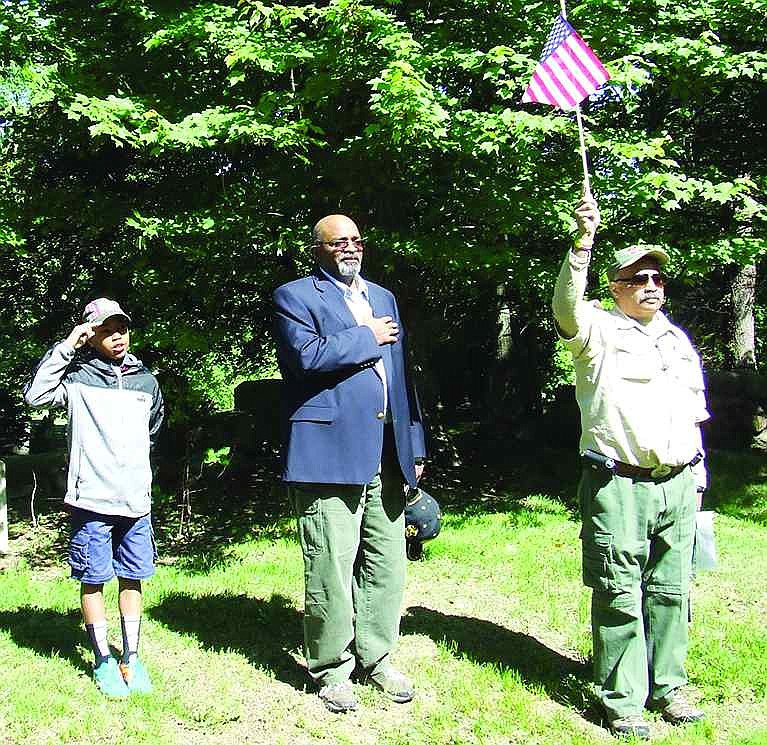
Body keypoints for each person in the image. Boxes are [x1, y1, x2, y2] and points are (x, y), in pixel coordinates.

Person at [552, 193, 708, 738]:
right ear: (615, 287)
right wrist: (582, 243)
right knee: (619, 591)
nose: (651, 286)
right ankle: (622, 700)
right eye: (638, 278)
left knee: (673, 589)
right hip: (618, 483)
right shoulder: (595, 330)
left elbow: (691, 411)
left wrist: (698, 476)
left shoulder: (676, 339)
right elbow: (566, 307)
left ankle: (670, 686)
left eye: (657, 279)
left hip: (679, 481)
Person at [273, 214, 426, 713]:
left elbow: (402, 378)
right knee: (330, 565)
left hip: (386, 448)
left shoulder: (383, 297)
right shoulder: (295, 296)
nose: (350, 248)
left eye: (357, 240)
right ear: (317, 249)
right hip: (327, 450)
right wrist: (366, 335)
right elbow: (305, 358)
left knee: (387, 561)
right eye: (338, 242)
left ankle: (377, 655)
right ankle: (331, 668)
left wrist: (414, 444)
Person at [24, 298, 164, 697]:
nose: (117, 335)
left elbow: (153, 431)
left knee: (133, 578)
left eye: (121, 327)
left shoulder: (147, 382)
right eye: (106, 330)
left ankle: (131, 658)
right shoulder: (78, 380)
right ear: (90, 336)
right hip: (91, 502)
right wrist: (68, 346)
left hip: (136, 502)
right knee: (93, 579)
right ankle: (103, 658)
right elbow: (35, 396)